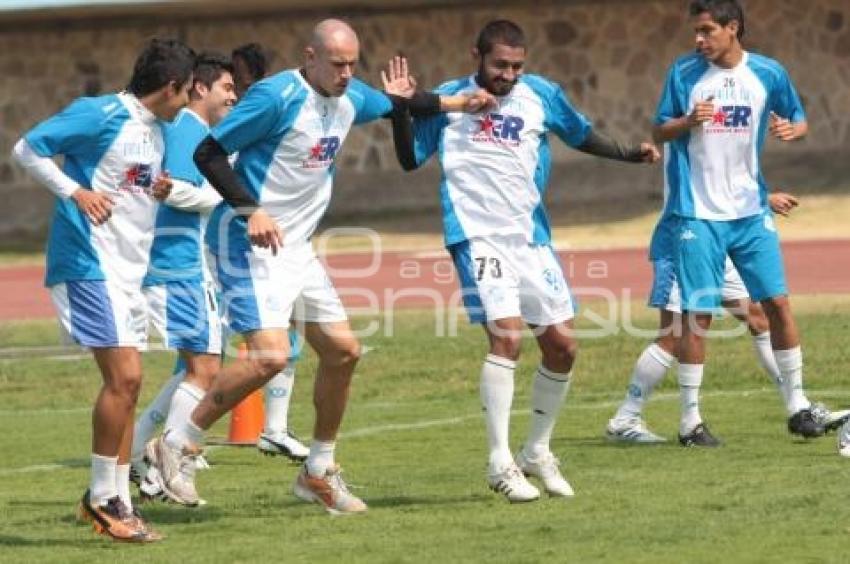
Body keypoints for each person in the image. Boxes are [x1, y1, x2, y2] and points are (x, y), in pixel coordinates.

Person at [149, 18, 493, 514]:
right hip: (246, 243)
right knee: (268, 357)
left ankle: (318, 472)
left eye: (353, 64)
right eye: (336, 63)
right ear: (310, 57)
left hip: (297, 248)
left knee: (344, 352)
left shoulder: (350, 97)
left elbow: (401, 104)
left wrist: (460, 103)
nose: (346, 73)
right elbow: (209, 151)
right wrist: (252, 209)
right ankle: (175, 443)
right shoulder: (276, 97)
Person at [396, 19, 660, 502]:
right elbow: (410, 159)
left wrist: (627, 153)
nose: (509, 74)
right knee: (508, 336)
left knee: (563, 345)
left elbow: (579, 134)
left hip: (530, 238)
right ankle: (500, 463)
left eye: (517, 66)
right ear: (476, 55)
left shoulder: (541, 94)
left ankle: (536, 451)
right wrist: (399, 108)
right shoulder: (447, 99)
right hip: (475, 235)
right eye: (500, 65)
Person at [11, 38, 195, 541]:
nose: (189, 103)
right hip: (88, 264)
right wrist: (77, 191)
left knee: (129, 386)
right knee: (126, 377)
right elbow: (26, 148)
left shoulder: (158, 132)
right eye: (188, 92)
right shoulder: (100, 114)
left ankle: (117, 499)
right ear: (171, 87)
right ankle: (102, 500)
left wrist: (163, 189)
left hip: (126, 274)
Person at [652, 0, 818, 447]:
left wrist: (792, 131)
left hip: (750, 212)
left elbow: (799, 118)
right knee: (698, 316)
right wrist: (687, 121)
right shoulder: (683, 73)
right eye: (696, 32)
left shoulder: (767, 72)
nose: (698, 40)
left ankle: (798, 405)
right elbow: (658, 131)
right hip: (697, 213)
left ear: (733, 28)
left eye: (707, 30)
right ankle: (690, 421)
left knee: (778, 305)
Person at [606, 192, 849, 444]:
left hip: (720, 237)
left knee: (760, 318)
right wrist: (762, 197)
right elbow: (704, 182)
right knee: (675, 335)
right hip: (685, 236)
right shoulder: (683, 152)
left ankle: (799, 408)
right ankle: (626, 419)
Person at [128, 52, 237, 503]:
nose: (234, 96)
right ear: (200, 88)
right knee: (206, 368)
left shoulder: (195, 132)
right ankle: (165, 464)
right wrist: (206, 194)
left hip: (181, 268)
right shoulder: (188, 132)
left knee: (198, 367)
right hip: (179, 270)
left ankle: (139, 455)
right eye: (227, 88)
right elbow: (175, 191)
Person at [230, 41, 311, 462]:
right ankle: (172, 440)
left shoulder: (266, 112)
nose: (236, 89)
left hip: (276, 243)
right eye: (234, 80)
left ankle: (275, 428)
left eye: (243, 80)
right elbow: (209, 170)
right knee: (201, 357)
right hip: (227, 246)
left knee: (289, 333)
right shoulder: (225, 121)